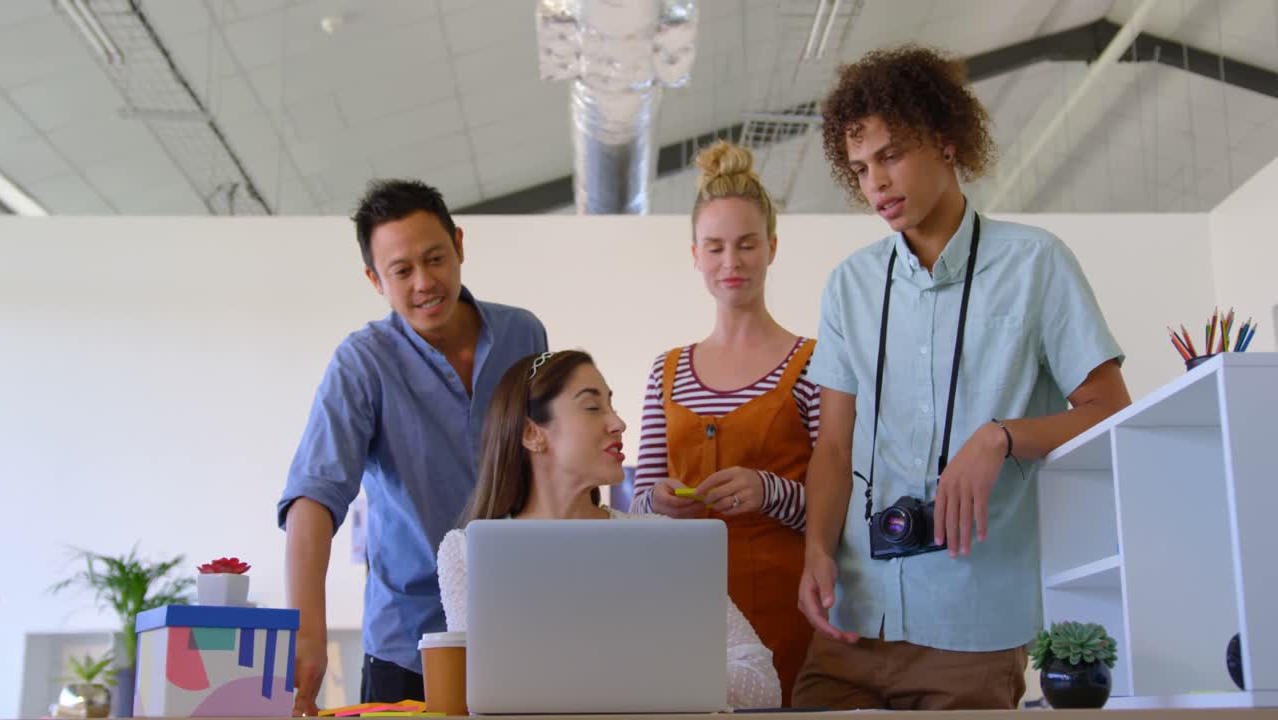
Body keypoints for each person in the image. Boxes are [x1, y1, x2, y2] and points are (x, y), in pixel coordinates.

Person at [794, 46, 1133, 711]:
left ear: (947, 143)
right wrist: (815, 550)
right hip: (851, 622)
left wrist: (999, 437)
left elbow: (1109, 411)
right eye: (860, 169)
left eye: (891, 156)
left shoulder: (1036, 264)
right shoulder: (850, 286)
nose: (876, 185)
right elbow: (833, 447)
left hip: (973, 630)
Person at [277, 180, 547, 713]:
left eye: (436, 259)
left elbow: (552, 465)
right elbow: (314, 497)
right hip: (408, 646)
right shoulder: (362, 363)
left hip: (520, 630)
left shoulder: (525, 336)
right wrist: (307, 632)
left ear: (460, 245)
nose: (425, 283)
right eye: (402, 270)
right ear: (375, 279)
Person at [436, 350, 782, 710]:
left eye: (611, 406)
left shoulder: (662, 541)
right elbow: (473, 693)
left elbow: (761, 680)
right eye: (592, 407)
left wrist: (630, 680)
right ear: (531, 433)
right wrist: (659, 677)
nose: (618, 422)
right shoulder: (464, 552)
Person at [628, 141, 818, 704]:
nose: (730, 263)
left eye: (746, 245)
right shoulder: (666, 372)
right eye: (714, 248)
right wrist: (657, 503)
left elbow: (840, 513)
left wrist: (770, 491)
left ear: (772, 248)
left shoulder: (813, 365)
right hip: (687, 616)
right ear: (694, 255)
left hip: (791, 615)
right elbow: (638, 505)